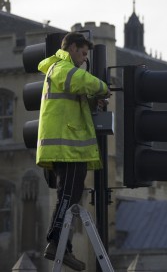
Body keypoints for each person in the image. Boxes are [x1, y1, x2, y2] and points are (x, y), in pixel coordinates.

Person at [36, 32, 110, 271]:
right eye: (83, 53)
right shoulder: (59, 67)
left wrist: (92, 101)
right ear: (72, 49)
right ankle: (54, 242)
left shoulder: (68, 72)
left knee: (70, 197)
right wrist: (102, 87)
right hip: (65, 146)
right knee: (66, 196)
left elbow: (75, 97)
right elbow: (78, 80)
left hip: (72, 146)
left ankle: (62, 248)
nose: (84, 58)